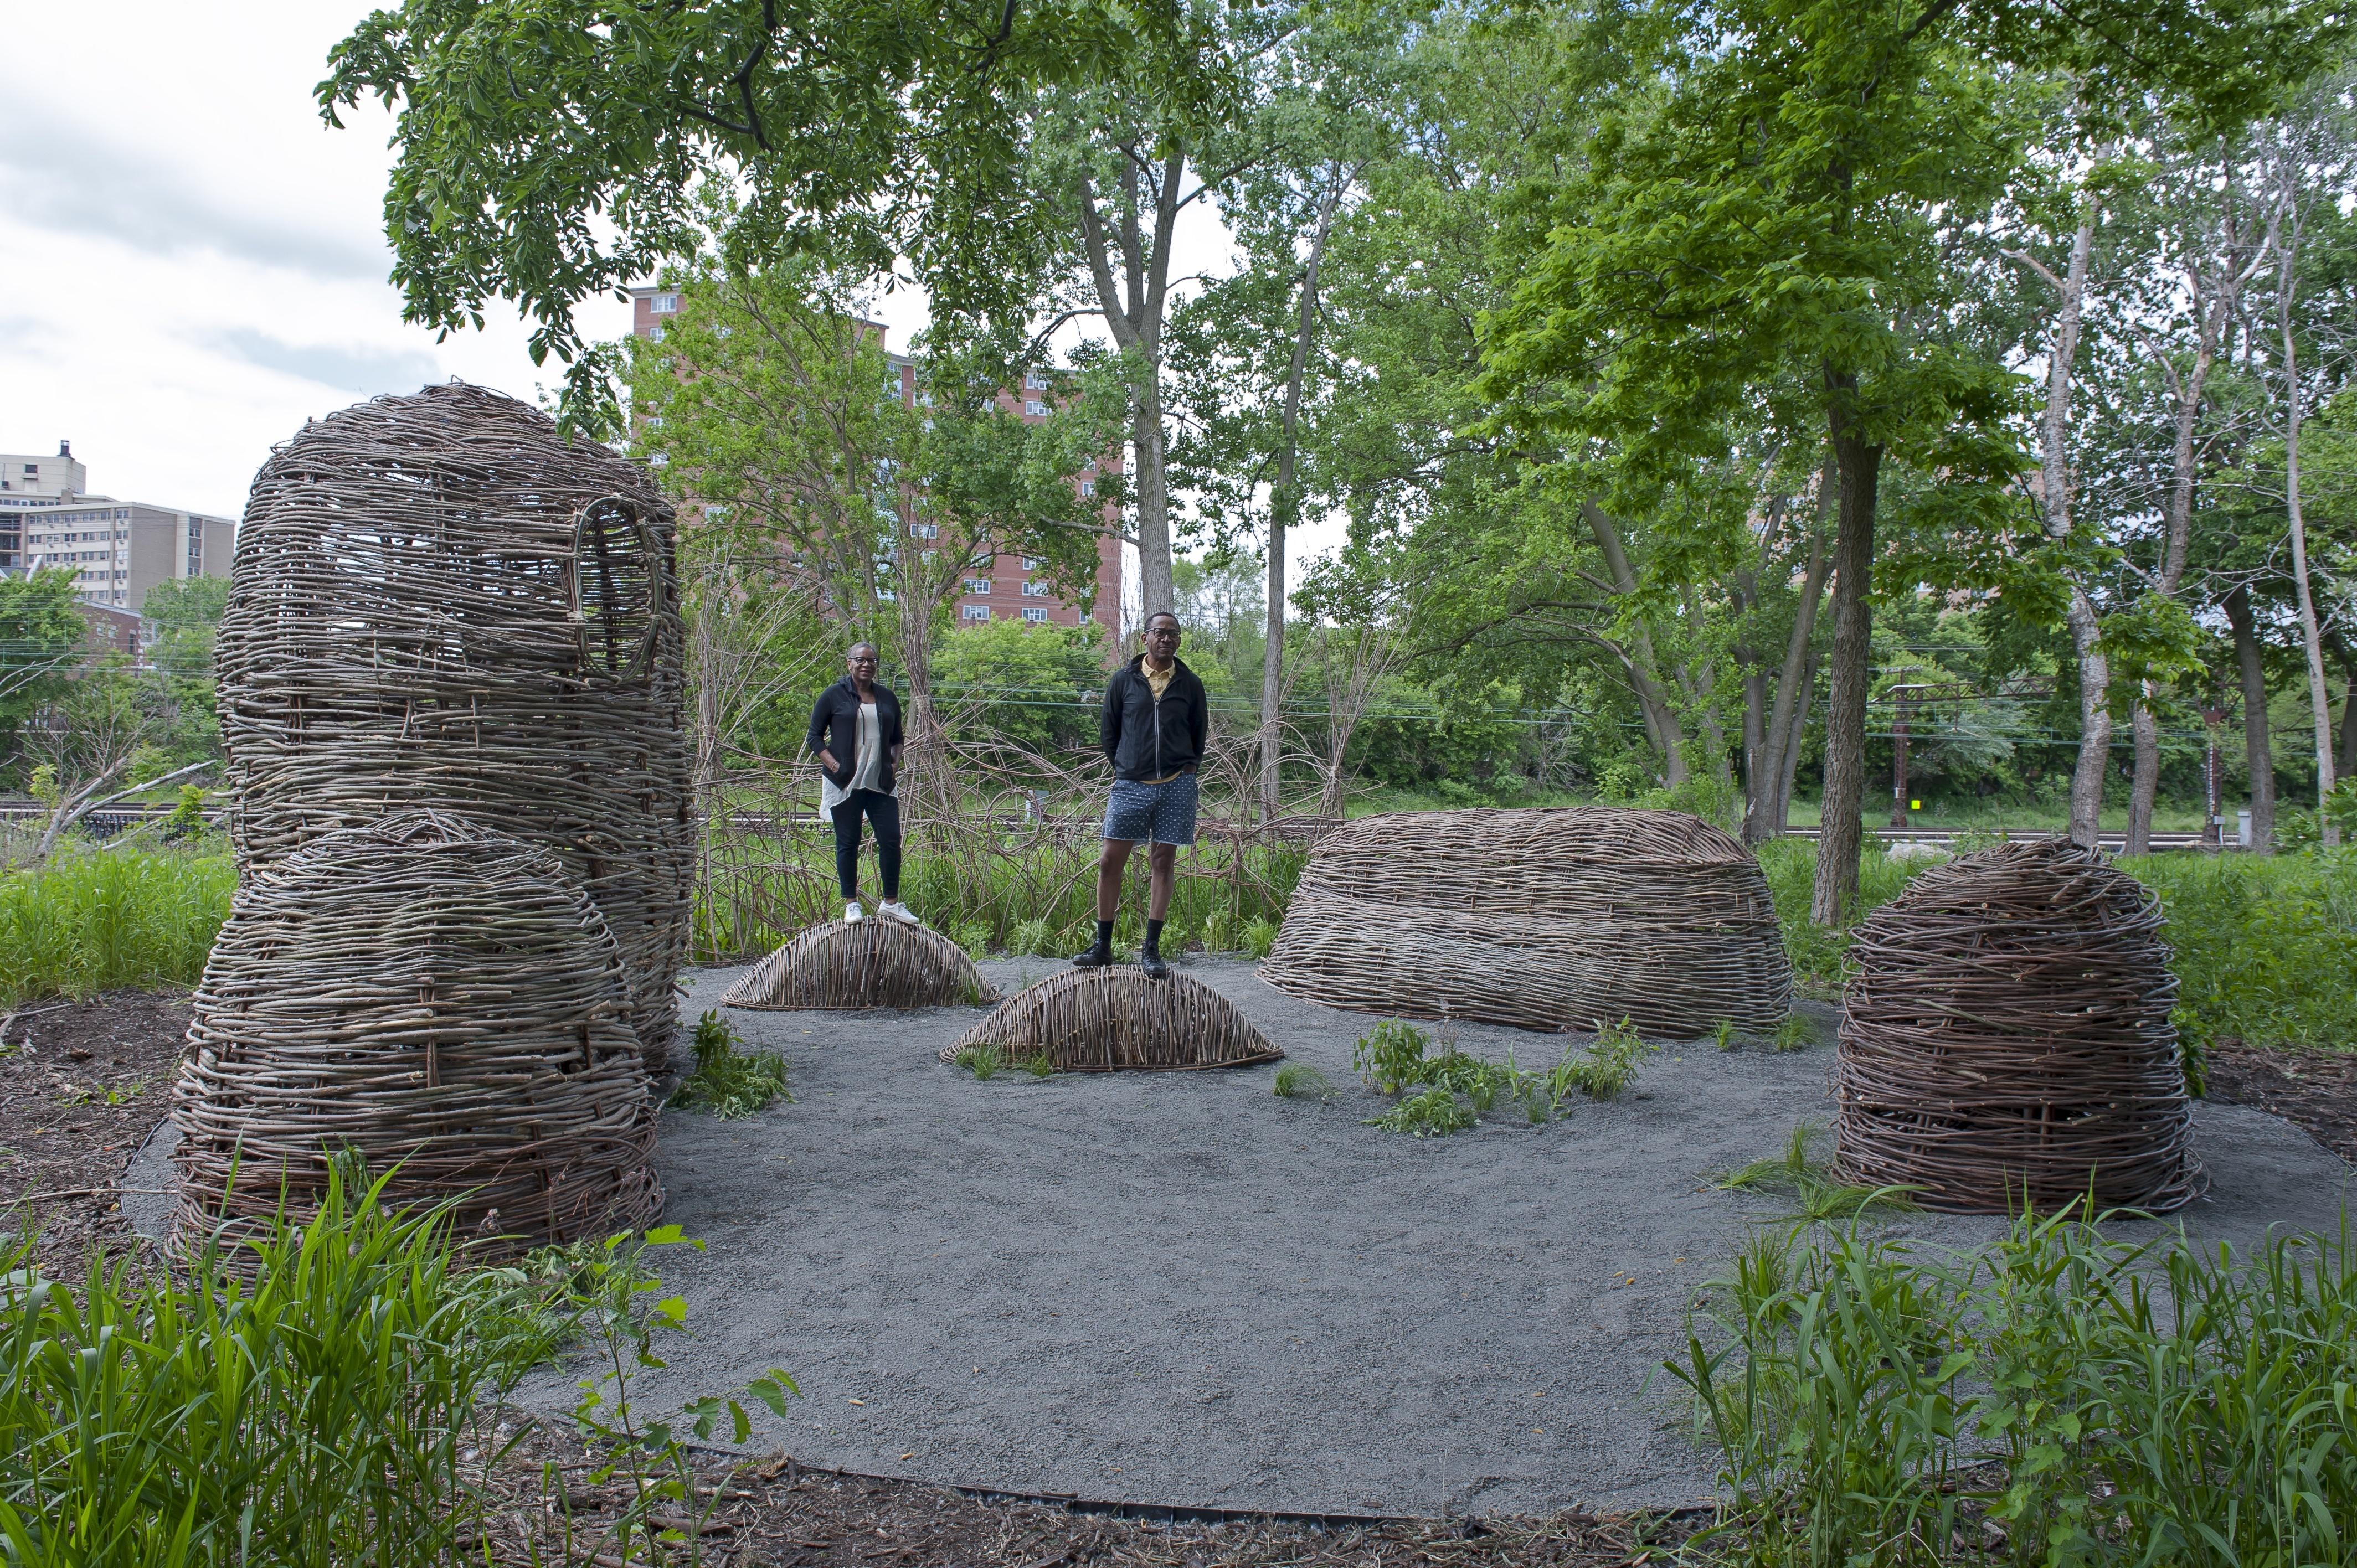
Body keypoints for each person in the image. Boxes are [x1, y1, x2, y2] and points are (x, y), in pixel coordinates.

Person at [1073, 611, 1207, 979]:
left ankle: (1151, 950)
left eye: (1173, 634)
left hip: (1177, 785)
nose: (1166, 639)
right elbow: (1109, 730)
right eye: (1160, 633)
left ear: (1178, 642)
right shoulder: (1124, 681)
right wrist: (1125, 765)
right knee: (1108, 862)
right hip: (1130, 785)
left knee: (1162, 864)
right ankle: (1103, 947)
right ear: (1145, 638)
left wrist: (1189, 766)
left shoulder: (1190, 684)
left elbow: (1200, 731)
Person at [806, 644, 919, 925]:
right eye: (860, 660)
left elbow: (897, 738)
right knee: (848, 842)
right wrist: (835, 765)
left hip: (880, 781)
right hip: (845, 782)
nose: (866, 664)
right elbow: (814, 737)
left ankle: (890, 903)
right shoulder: (833, 696)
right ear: (849, 663)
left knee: (891, 840)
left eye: (872, 660)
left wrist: (894, 765)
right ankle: (851, 904)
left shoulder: (887, 698)